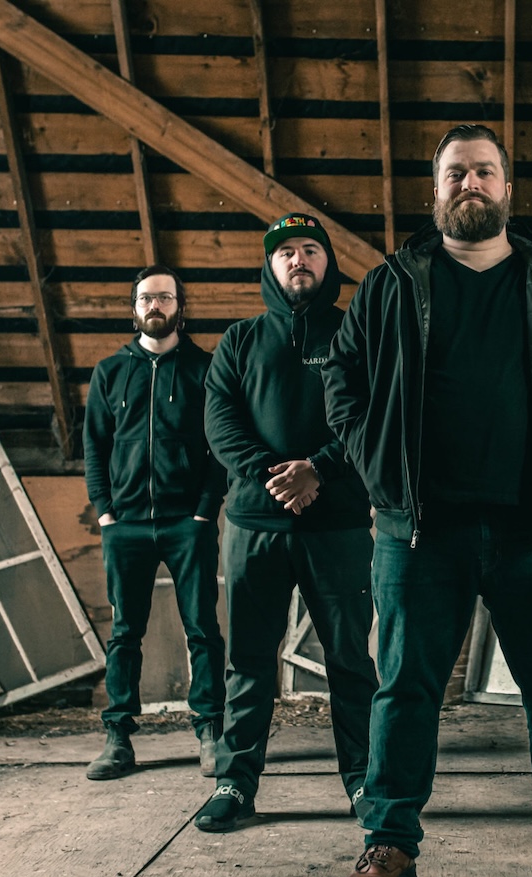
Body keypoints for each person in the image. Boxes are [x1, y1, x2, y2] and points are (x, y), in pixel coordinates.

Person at [322, 124, 532, 877]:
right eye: (456, 172)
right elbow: (343, 382)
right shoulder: (392, 282)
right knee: (404, 689)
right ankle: (389, 841)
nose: (471, 184)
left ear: (506, 187)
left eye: (484, 171)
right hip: (420, 532)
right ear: (435, 191)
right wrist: (379, 471)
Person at [194, 213, 378, 832]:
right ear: (270, 266)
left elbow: (373, 415)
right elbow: (220, 423)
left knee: (350, 661)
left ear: (328, 262)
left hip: (338, 528)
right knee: (249, 661)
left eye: (310, 250)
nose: (299, 260)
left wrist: (318, 470)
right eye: (286, 252)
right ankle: (235, 783)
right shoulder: (240, 340)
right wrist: (277, 477)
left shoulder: (357, 333)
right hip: (254, 527)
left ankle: (364, 780)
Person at [83, 264, 227, 781]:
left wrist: (204, 510)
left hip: (187, 523)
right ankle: (118, 737)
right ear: (134, 309)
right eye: (146, 298)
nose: (155, 306)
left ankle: (210, 731)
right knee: (125, 632)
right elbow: (94, 447)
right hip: (125, 526)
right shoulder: (109, 372)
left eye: (165, 297)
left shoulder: (205, 369)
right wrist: (105, 512)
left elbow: (219, 445)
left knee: (202, 629)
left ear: (180, 308)